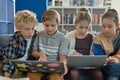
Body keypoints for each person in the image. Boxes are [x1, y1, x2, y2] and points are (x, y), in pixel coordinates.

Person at [65, 7, 103, 80]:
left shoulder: (92, 37)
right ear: (75, 24)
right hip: (75, 66)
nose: (83, 30)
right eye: (81, 27)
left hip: (90, 66)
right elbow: (62, 51)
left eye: (86, 27)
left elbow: (96, 53)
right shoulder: (68, 36)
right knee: (74, 74)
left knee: (98, 74)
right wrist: (72, 52)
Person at [30, 9, 68, 80]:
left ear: (58, 24)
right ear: (43, 23)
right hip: (40, 66)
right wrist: (41, 54)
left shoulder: (62, 38)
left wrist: (64, 65)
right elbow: (33, 52)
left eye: (53, 25)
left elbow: (62, 56)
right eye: (47, 25)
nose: (50, 28)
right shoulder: (39, 35)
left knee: (56, 77)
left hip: (54, 68)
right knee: (32, 75)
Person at [0, 10, 38, 78]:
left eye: (32, 28)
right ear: (18, 28)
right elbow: (9, 59)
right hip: (10, 61)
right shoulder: (14, 39)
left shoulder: (36, 35)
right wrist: (7, 73)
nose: (31, 32)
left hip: (26, 64)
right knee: (15, 74)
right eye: (27, 29)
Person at [93, 9, 120, 80]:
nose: (106, 30)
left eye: (110, 26)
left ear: (117, 25)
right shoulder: (97, 39)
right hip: (106, 66)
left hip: (117, 65)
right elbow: (99, 59)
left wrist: (116, 60)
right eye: (103, 26)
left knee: (113, 77)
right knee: (111, 68)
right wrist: (109, 60)